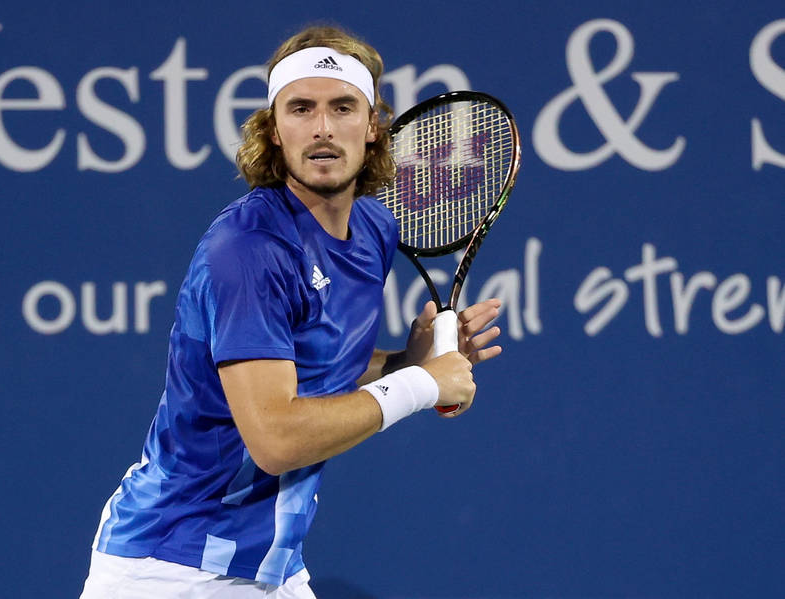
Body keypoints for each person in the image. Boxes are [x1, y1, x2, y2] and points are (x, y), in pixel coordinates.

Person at [79, 24, 503, 599]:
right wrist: (423, 385)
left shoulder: (374, 229)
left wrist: (409, 360)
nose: (322, 128)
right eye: (301, 108)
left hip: (268, 569)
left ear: (373, 126)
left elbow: (315, 370)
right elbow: (276, 439)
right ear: (274, 129)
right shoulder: (249, 249)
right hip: (173, 568)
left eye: (342, 107)